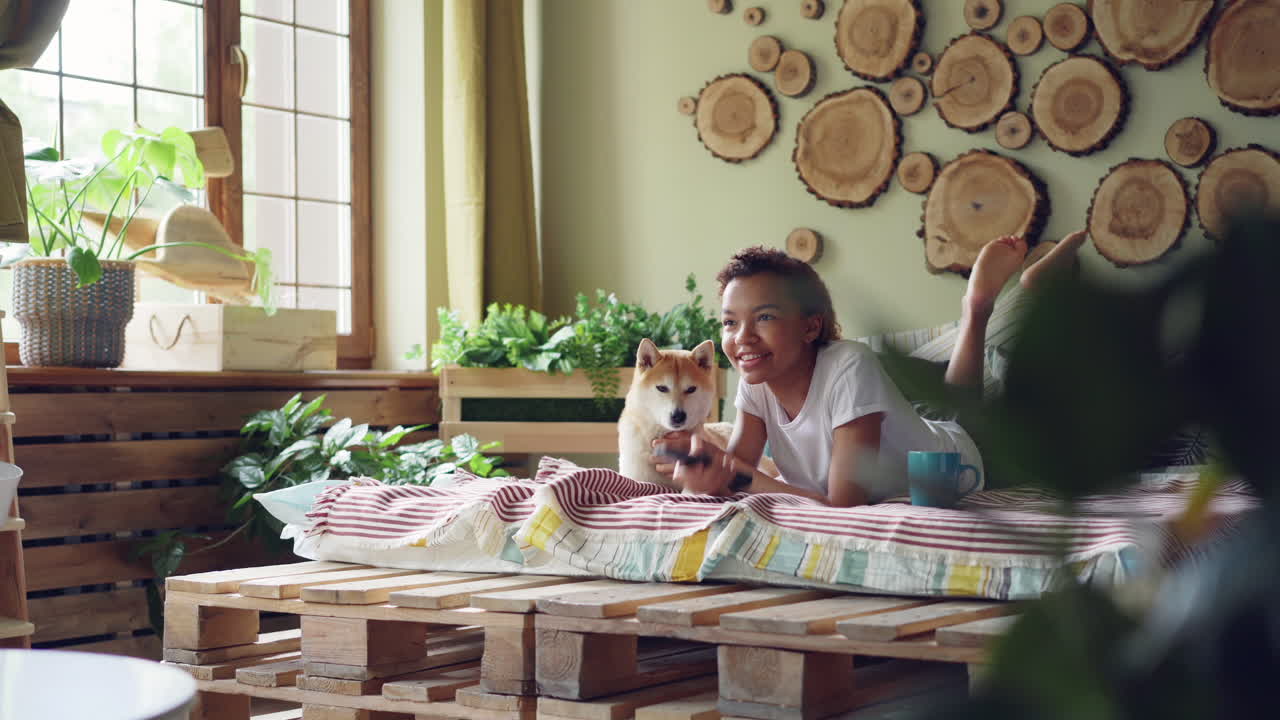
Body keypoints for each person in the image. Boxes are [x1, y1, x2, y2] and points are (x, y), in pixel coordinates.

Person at [652, 230, 1088, 506]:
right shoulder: (757, 379)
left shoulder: (849, 364)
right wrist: (702, 473)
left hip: (964, 461)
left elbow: (841, 505)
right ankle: (980, 309)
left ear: (810, 327)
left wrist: (742, 478)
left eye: (764, 317)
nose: (741, 338)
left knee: (980, 412)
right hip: (917, 430)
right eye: (730, 322)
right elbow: (733, 472)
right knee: (946, 407)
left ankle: (1007, 300)